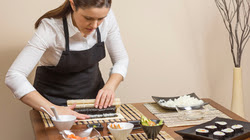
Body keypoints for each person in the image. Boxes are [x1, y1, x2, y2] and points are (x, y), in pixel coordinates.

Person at [5, 0, 128, 120]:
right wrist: (54, 109)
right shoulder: (50, 28)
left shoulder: (107, 17)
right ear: (73, 4)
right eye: (88, 18)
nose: (95, 25)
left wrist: (110, 87)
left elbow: (121, 59)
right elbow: (14, 76)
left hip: (93, 102)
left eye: (100, 19)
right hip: (54, 104)